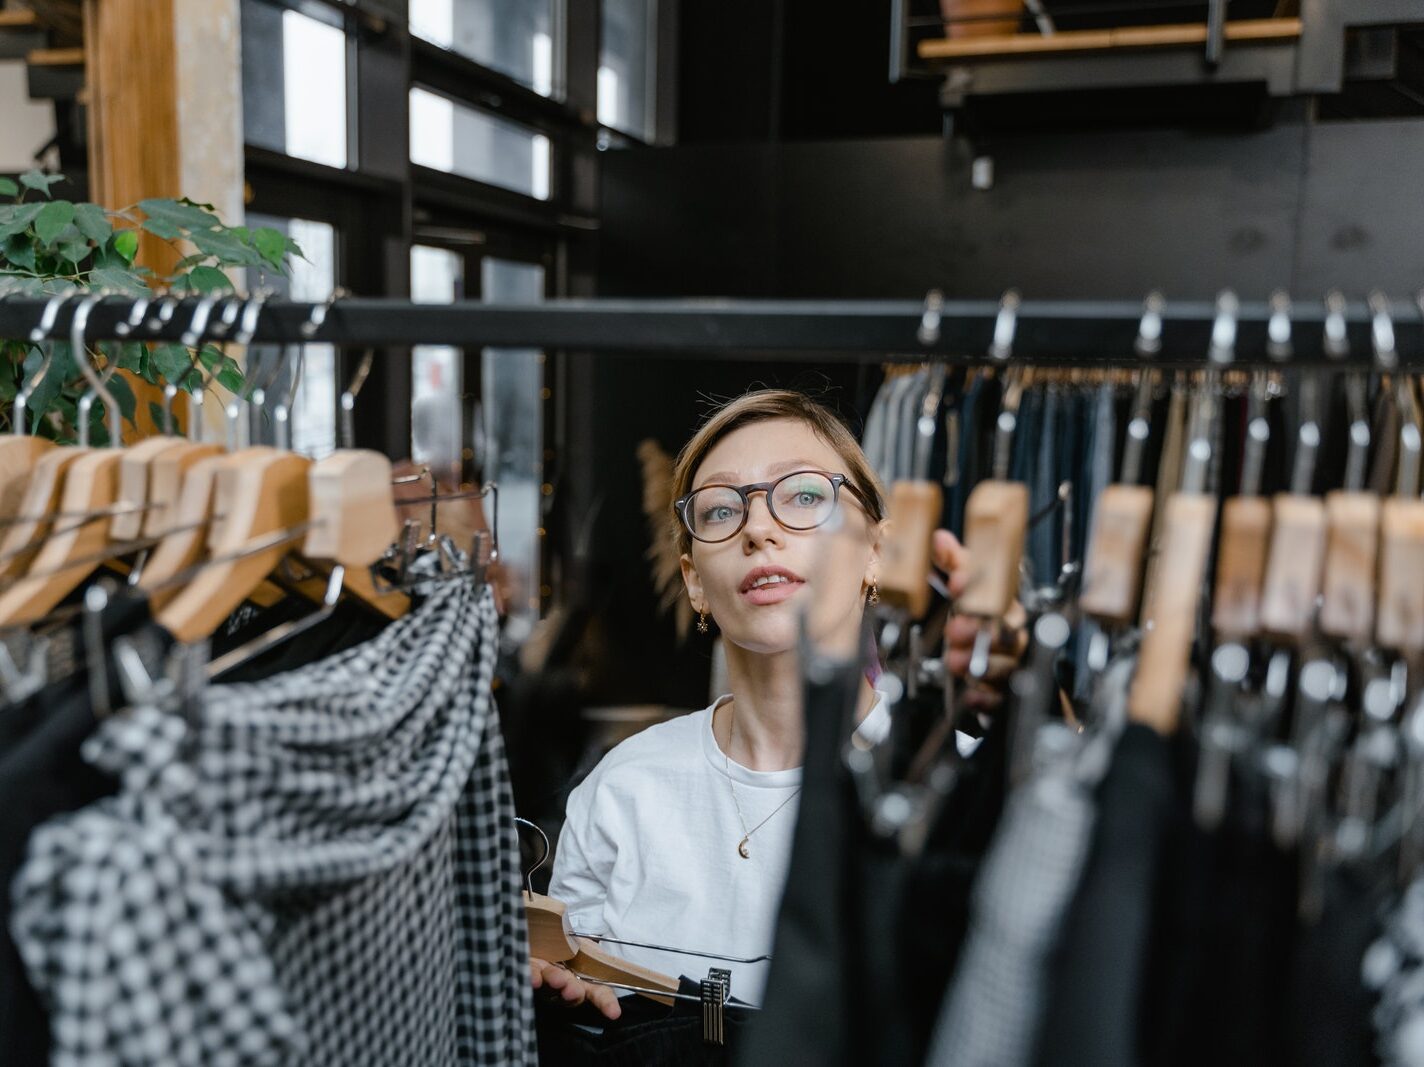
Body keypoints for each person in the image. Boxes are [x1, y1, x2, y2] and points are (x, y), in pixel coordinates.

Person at [533, 389, 1023, 1020]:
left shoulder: (953, 782)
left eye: (804, 496)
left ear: (876, 550)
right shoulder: (624, 790)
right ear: (693, 580)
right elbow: (581, 992)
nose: (759, 528)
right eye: (718, 511)